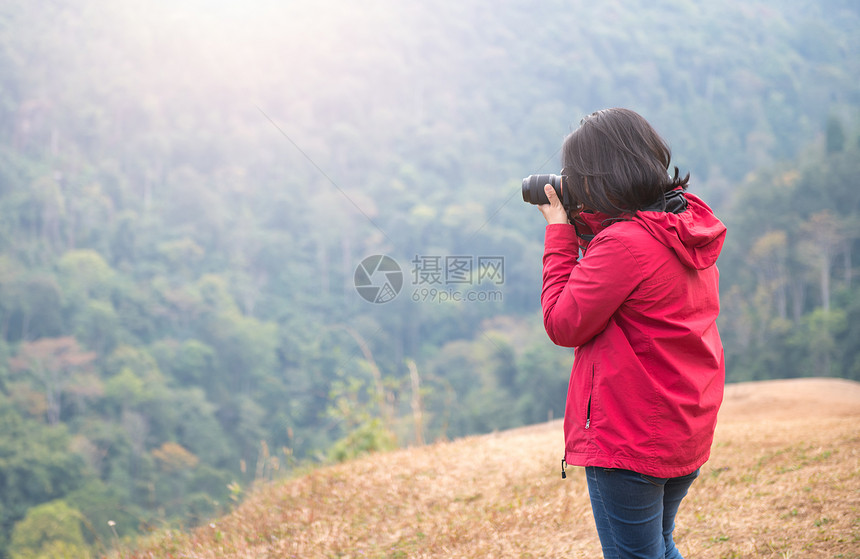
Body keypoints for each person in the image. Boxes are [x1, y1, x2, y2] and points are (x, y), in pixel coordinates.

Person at [537, 108, 726, 558]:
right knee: (658, 545)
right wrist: (591, 229)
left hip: (631, 437)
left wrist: (561, 233)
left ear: (597, 176)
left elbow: (562, 323)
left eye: (575, 174)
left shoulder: (624, 245)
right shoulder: (682, 224)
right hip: (681, 427)